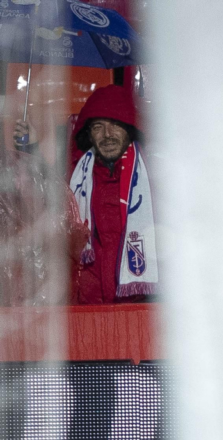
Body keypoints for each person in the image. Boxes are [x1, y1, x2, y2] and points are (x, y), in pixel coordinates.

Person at [67, 85, 157, 304]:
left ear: (129, 128)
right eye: (98, 127)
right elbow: (38, 194)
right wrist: (29, 146)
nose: (107, 135)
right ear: (89, 133)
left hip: (142, 308)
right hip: (91, 307)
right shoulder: (77, 175)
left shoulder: (156, 177)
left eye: (115, 124)